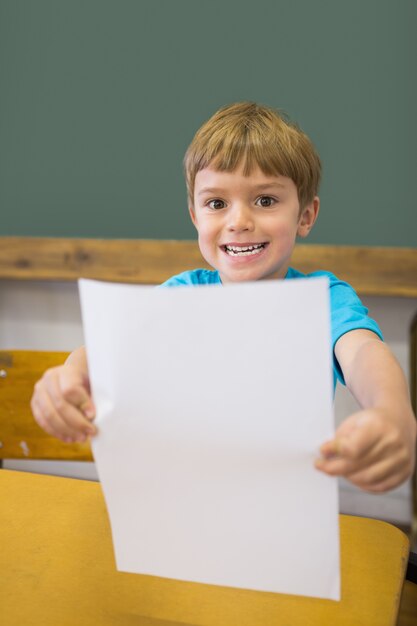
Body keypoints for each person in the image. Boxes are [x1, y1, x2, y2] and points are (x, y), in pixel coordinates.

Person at [31, 102, 416, 493]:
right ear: (196, 216)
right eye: (217, 203)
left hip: (284, 519)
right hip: (178, 508)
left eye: (265, 200)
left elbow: (364, 353)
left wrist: (393, 412)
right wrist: (69, 376)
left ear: (305, 215)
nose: (238, 222)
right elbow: (104, 353)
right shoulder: (181, 296)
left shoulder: (323, 301)